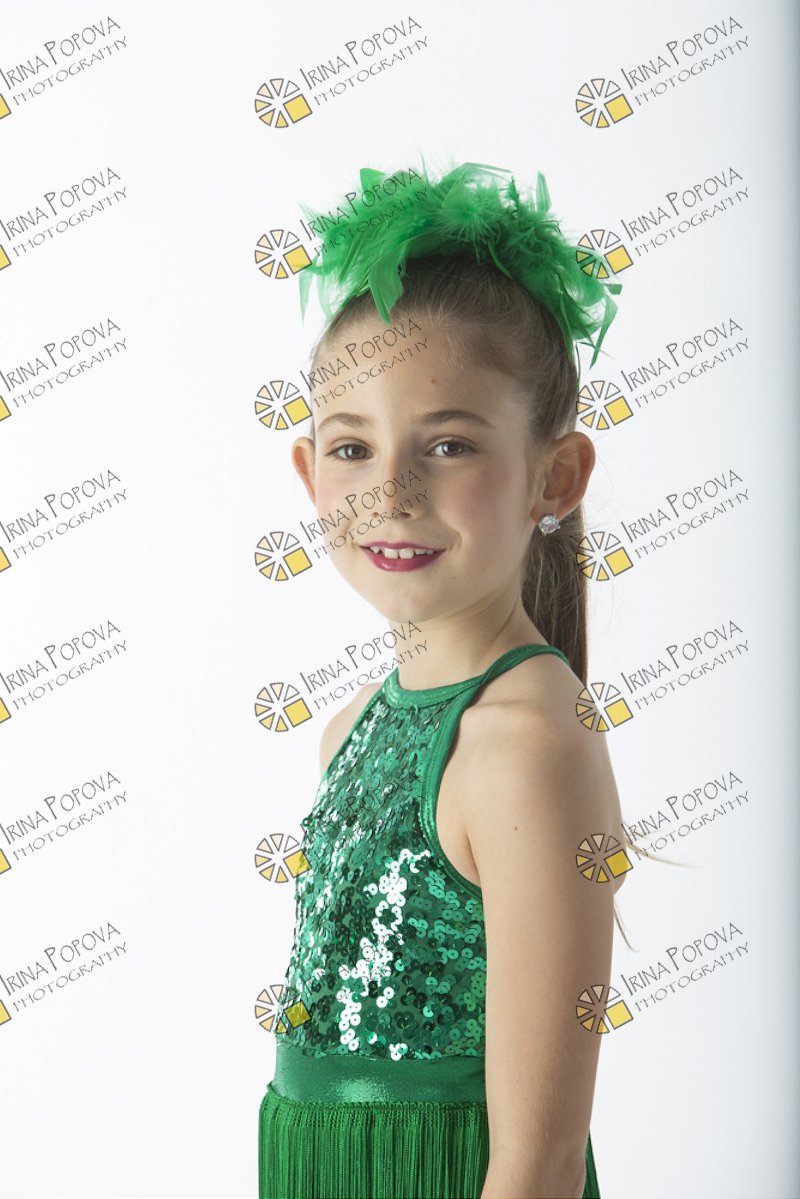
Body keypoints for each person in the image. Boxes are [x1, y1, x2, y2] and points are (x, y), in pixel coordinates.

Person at [258, 159, 633, 1199]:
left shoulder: (525, 747)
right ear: (309, 473)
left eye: (450, 444)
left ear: (554, 475)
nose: (390, 492)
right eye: (351, 448)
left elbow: (537, 1160)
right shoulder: (348, 728)